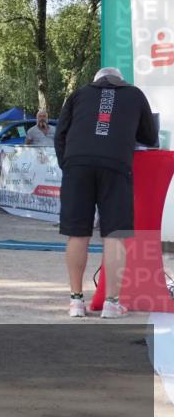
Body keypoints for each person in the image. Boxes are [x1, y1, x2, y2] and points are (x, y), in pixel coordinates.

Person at [55, 67, 157, 319]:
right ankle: (111, 303)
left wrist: (67, 165)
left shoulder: (79, 94)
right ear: (121, 80)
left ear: (95, 81)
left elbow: (60, 135)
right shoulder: (135, 94)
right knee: (114, 235)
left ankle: (76, 301)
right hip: (115, 166)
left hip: (77, 165)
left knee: (77, 233)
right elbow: (150, 136)